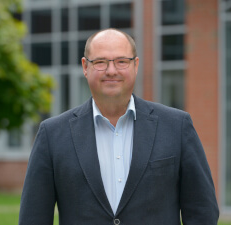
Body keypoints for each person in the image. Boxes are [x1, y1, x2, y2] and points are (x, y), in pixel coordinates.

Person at [19, 28, 219, 225]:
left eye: (121, 61)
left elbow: (203, 212)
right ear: (85, 67)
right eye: (100, 62)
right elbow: (33, 217)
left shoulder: (177, 126)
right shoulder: (52, 135)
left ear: (136, 65)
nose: (111, 70)